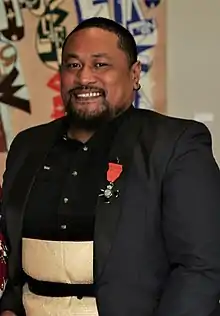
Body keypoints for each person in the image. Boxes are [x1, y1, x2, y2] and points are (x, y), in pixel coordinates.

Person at [0, 17, 220, 316]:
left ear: (134, 74)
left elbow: (201, 267)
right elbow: (13, 257)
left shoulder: (175, 145)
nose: (84, 78)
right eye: (73, 65)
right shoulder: (27, 146)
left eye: (100, 65)